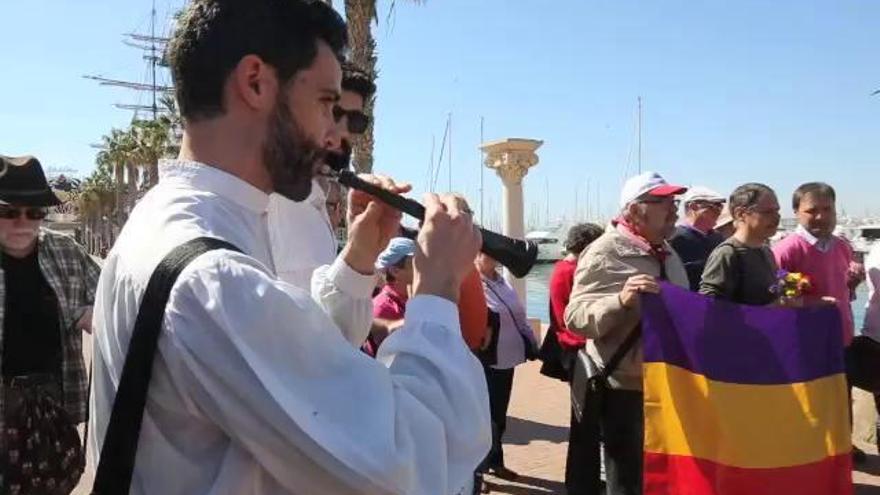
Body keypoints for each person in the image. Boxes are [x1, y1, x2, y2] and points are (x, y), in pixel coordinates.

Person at [89, 2, 490, 494]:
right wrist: (437, 290)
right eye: (325, 102)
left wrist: (359, 257)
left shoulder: (163, 219)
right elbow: (415, 464)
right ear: (255, 82)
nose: (331, 134)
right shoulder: (212, 280)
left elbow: (290, 355)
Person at [564, 171, 689, 495]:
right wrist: (620, 301)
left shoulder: (668, 252)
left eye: (674, 202)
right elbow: (575, 318)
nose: (674, 209)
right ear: (635, 211)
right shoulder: (605, 252)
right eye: (663, 202)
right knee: (627, 481)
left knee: (660, 478)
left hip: (665, 385)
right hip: (624, 388)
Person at [0, 155, 101, 493]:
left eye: (35, 212)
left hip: (52, 403)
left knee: (57, 481)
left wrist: (94, 316)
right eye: (9, 212)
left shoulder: (67, 252)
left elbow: (113, 304)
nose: (23, 222)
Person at [773, 182, 866, 463]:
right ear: (797, 212)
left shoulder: (842, 246)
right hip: (805, 343)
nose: (821, 216)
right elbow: (779, 300)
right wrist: (812, 305)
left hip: (841, 338)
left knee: (840, 397)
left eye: (827, 209)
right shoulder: (787, 250)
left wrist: (852, 284)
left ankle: (842, 446)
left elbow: (843, 292)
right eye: (812, 210)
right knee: (809, 403)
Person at [267, 62, 374, 289]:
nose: (343, 132)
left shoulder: (314, 195)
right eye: (334, 114)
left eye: (355, 121)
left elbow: (319, 309)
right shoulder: (279, 200)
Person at [544, 223, 604, 495]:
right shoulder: (567, 272)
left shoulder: (565, 270)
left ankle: (585, 481)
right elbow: (567, 322)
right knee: (585, 425)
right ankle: (582, 484)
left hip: (578, 351)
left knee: (587, 424)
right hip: (578, 353)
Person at [475, 252, 538, 482]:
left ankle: (494, 461)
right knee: (488, 415)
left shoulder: (501, 281)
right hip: (488, 359)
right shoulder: (473, 283)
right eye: (488, 254)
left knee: (499, 415)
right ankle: (485, 466)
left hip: (508, 358)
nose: (494, 258)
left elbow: (519, 315)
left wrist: (532, 342)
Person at [699, 183, 781, 305]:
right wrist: (772, 308)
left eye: (777, 211)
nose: (776, 217)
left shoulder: (766, 251)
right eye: (768, 212)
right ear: (740, 214)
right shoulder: (727, 253)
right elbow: (710, 307)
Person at [362, 237, 415, 356]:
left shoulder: (411, 299)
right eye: (415, 263)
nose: (422, 269)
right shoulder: (381, 308)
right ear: (395, 271)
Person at [669, 186, 726, 290]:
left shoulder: (719, 239)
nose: (719, 211)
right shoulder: (674, 238)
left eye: (721, 207)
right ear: (694, 207)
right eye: (714, 206)